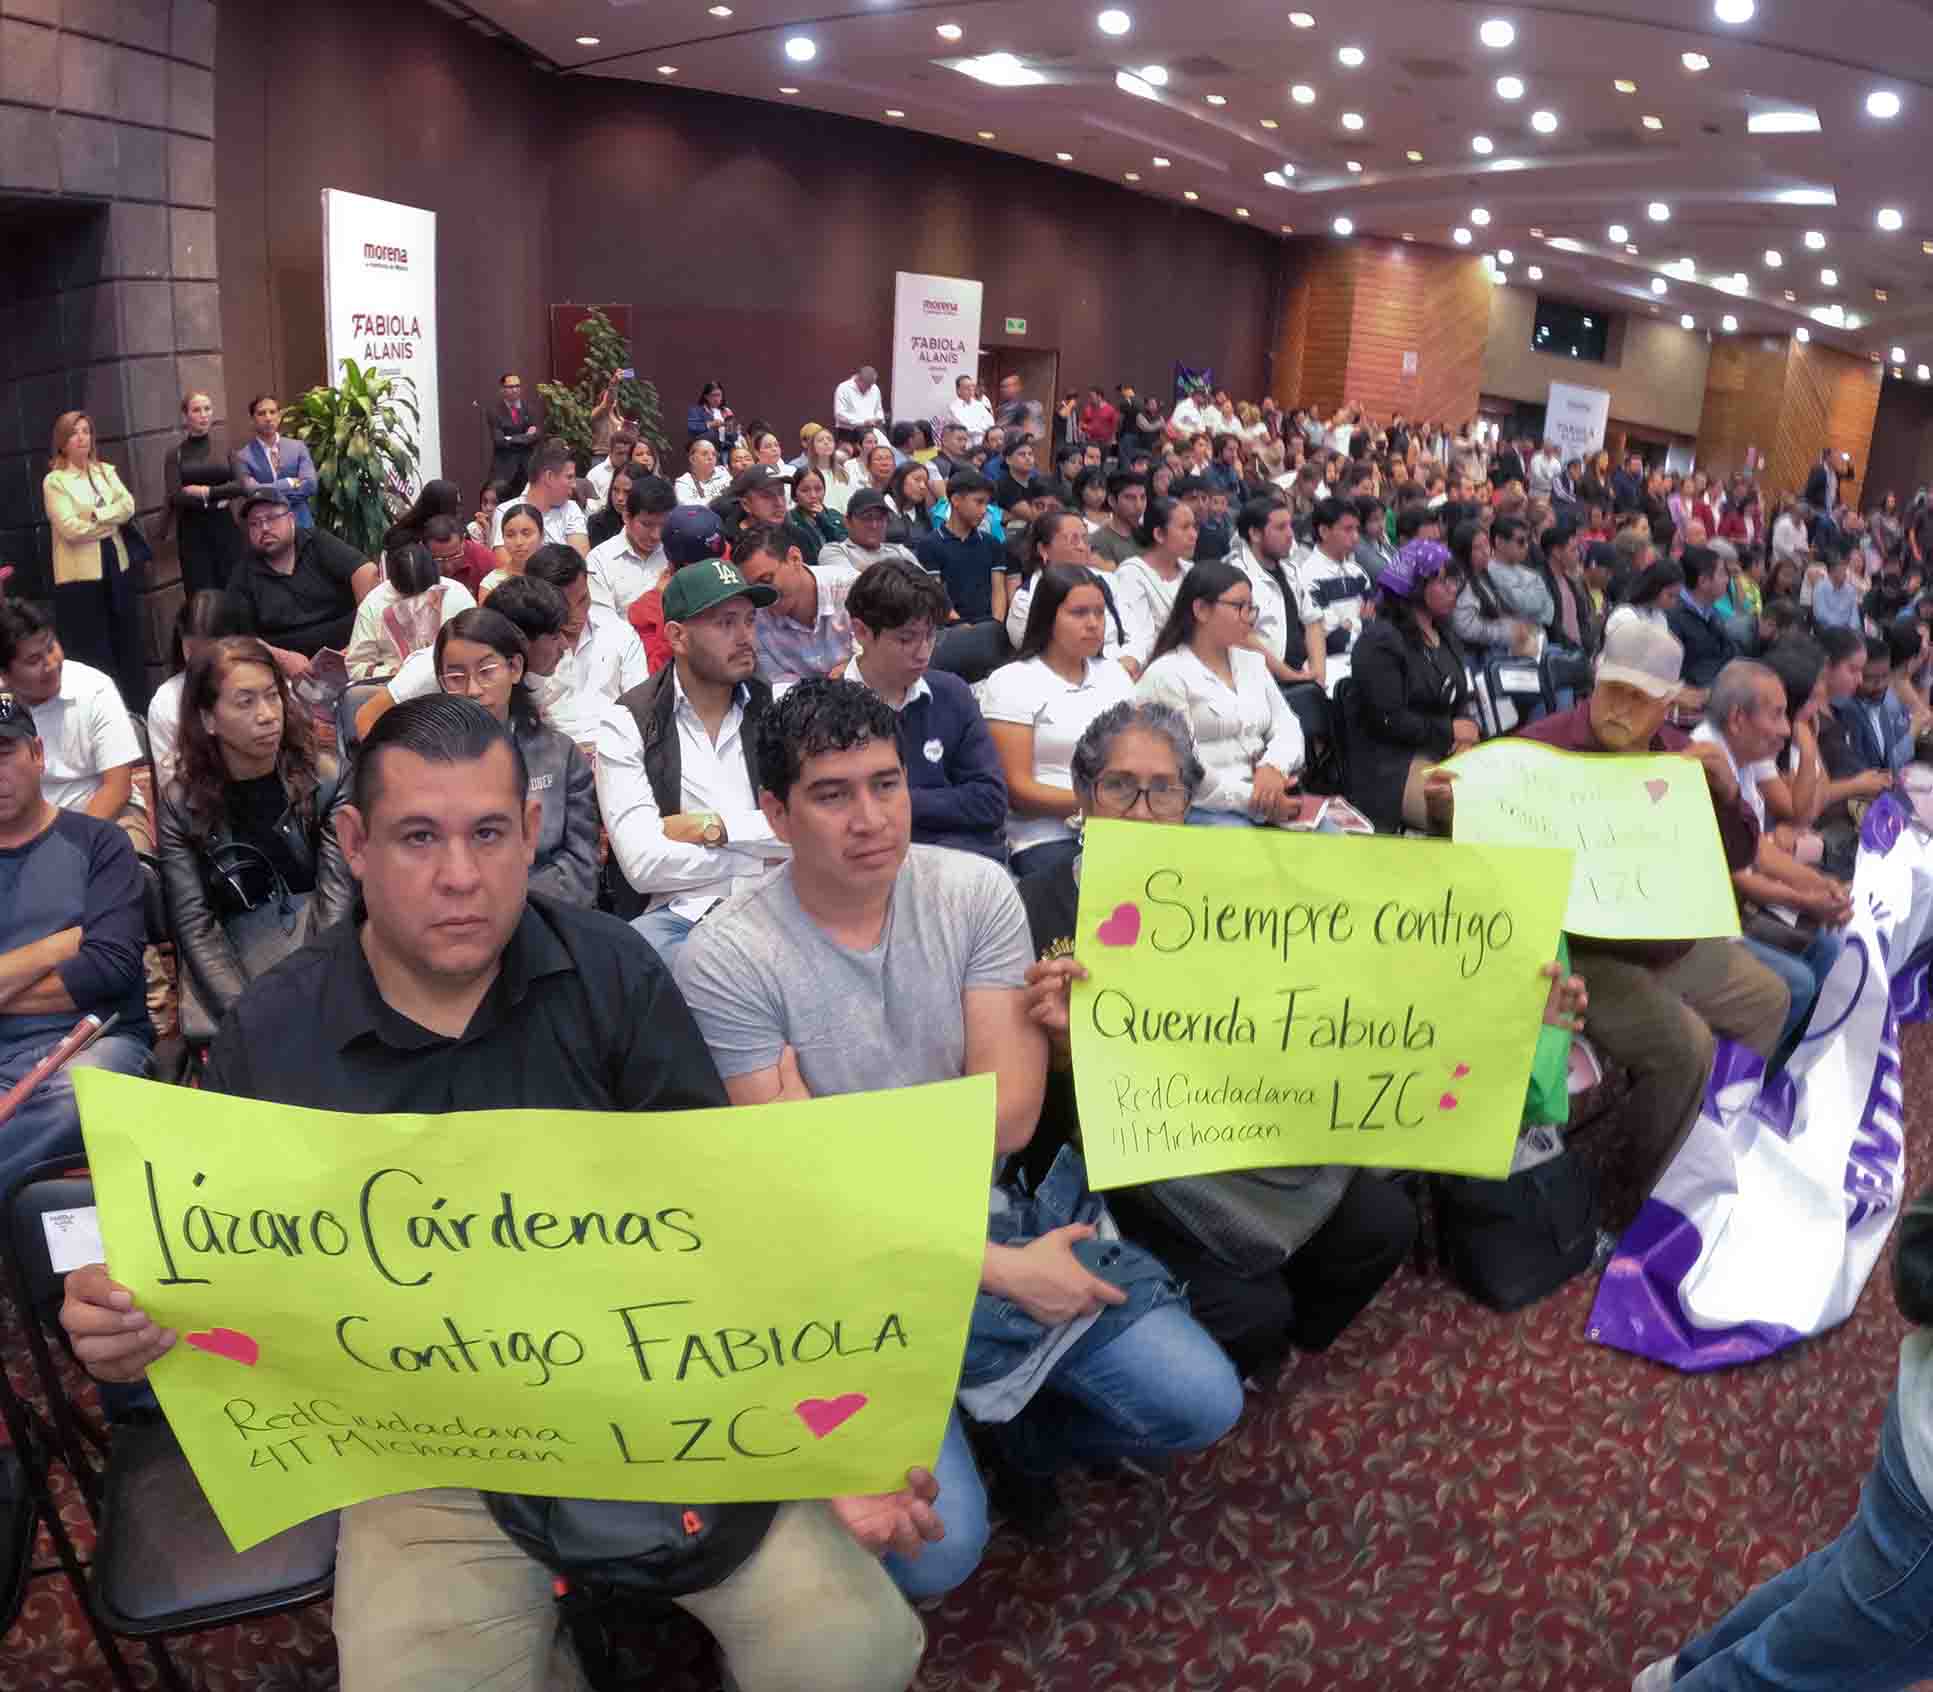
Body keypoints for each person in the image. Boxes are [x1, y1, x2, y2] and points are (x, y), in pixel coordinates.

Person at [61, 694, 932, 1692]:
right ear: (355, 844)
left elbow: (723, 1224)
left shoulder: (613, 972)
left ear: (531, 831)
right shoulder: (275, 1030)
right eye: (417, 837)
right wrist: (137, 1319)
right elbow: (227, 1284)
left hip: (658, 1397)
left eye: (486, 833)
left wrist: (824, 1439)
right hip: (428, 1443)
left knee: (855, 1652)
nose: (459, 876)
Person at [673, 679, 1241, 1598]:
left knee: (1203, 1402)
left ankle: (1024, 1435)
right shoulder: (726, 959)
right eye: (831, 794)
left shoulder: (974, 891)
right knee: (939, 1552)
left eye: (886, 784)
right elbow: (801, 1198)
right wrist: (999, 1269)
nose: (871, 819)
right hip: (842, 1269)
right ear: (775, 813)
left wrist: (828, 1133)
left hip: (982, 1206)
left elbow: (1009, 1117)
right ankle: (987, 1410)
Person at [1014, 698, 1420, 1381]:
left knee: (1382, 1225)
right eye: (1119, 786)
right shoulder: (1032, 910)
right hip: (1125, 1161)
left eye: (1163, 790)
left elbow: (1313, 1007)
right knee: (1250, 1313)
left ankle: (1291, 1334)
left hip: (1234, 1125)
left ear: (1187, 802)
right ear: (1084, 794)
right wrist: (1056, 1054)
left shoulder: (1235, 896)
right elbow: (1025, 1123)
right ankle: (1252, 1352)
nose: (1142, 810)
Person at [1493, 621, 1789, 1218]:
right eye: (1613, 690)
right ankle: (1637, 1198)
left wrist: (1728, 797)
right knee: (1685, 1047)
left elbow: (1738, 854)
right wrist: (1451, 809)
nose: (1621, 709)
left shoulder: (1683, 758)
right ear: (1595, 678)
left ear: (1668, 703)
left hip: (1668, 939)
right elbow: (1488, 854)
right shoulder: (1537, 750)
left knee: (1770, 999)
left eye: (1640, 697)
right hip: (1588, 951)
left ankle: (1704, 1139)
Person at [1638, 1183, 1933, 1692]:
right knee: (1802, 1669)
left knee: (1832, 1593)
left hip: (1919, 1422)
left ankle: (1680, 1676)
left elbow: (1919, 1258)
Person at [157, 635, 353, 1037]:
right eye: (245, 702)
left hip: (325, 963)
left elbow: (337, 902)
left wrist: (312, 996)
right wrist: (249, 1017)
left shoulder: (327, 779)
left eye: (272, 696)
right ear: (208, 720)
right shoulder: (181, 804)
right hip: (236, 970)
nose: (267, 715)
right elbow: (195, 925)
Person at [0, 684, 152, 1197]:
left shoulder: (100, 844)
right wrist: (55, 947)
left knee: (84, 1095)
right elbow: (88, 961)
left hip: (94, 1045)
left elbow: (109, 969)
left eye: (4, 752)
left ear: (37, 754)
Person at [604, 557, 791, 968]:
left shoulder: (779, 707)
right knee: (647, 956)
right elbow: (644, 864)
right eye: (726, 623)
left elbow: (808, 827)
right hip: (679, 918)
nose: (745, 637)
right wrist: (759, 856)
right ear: (677, 636)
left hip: (779, 901)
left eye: (750, 621)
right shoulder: (629, 721)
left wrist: (714, 828)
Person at [1692, 659, 1850, 1067]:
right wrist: (1808, 900)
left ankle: (1780, 1068)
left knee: (1827, 946)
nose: (1786, 728)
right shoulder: (1708, 763)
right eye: (1778, 715)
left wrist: (1820, 887)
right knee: (1797, 984)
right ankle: (1743, 1084)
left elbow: (1759, 848)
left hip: (1735, 906)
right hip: (1708, 920)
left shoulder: (1745, 748)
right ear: (1738, 719)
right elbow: (1739, 875)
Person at [433, 608, 598, 906]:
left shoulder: (560, 754)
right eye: (456, 677)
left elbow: (582, 865)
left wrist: (508, 905)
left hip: (549, 910)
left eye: (486, 672)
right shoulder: (425, 764)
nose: (473, 690)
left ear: (515, 668)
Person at [982, 565, 1137, 878]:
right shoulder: (1012, 682)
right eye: (1079, 613)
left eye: (1099, 612)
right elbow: (1017, 790)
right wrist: (1100, 803)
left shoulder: (1115, 676)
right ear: (1048, 618)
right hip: (1047, 836)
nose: (1093, 623)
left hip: (1120, 824)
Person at [849, 558, 1008, 862]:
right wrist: (945, 802)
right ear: (862, 632)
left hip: (965, 858)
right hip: (874, 864)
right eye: (906, 638)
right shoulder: (828, 710)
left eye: (931, 635)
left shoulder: (952, 693)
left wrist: (893, 798)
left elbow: (991, 801)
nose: (923, 652)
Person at [1134, 558, 1310, 827]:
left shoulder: (1251, 662)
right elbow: (1186, 769)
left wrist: (1273, 767)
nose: (1249, 618)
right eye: (1239, 607)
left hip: (1268, 794)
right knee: (1256, 850)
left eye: (1251, 608)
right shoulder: (1166, 675)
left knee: (1333, 839)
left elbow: (1287, 726)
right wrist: (1257, 799)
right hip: (1204, 806)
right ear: (1201, 610)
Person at [1346, 539, 1479, 832]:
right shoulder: (1380, 642)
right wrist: (1449, 731)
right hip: (1391, 762)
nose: (1453, 589)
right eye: (1443, 581)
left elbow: (1460, 700)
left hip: (1439, 748)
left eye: (1454, 580)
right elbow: (1389, 720)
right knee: (1464, 809)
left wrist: (1465, 739)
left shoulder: (1446, 634)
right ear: (1415, 586)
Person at [0, 598, 148, 853]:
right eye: (34, 660)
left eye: (51, 647)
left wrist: (65, 847)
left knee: (128, 853)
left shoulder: (94, 688)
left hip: (107, 814)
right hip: (24, 822)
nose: (51, 663)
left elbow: (117, 787)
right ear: (6, 674)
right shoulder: (4, 705)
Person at [42, 410, 144, 709]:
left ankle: (136, 710)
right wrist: (109, 522)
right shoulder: (55, 481)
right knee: (94, 649)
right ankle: (104, 711)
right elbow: (70, 529)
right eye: (74, 432)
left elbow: (128, 506)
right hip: (80, 578)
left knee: (126, 641)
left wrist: (97, 516)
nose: (82, 437)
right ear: (62, 441)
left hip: (116, 564)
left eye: (86, 431)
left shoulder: (105, 471)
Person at [231, 489, 376, 661]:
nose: (264, 528)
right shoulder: (244, 573)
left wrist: (363, 635)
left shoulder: (316, 542)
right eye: (254, 523)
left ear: (291, 519)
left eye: (271, 518)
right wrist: (282, 658)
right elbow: (242, 638)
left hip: (348, 649)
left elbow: (366, 572)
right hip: (285, 663)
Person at [523, 543, 648, 712]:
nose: (577, 615)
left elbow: (641, 705)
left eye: (583, 599)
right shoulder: (525, 645)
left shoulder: (619, 634)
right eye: (564, 608)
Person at [148, 590, 252, 791]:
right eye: (193, 650)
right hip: (203, 800)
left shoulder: (262, 682)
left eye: (213, 650)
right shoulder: (167, 701)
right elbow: (170, 785)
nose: (202, 660)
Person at [735, 520, 859, 687]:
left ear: (795, 558)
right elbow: (779, 685)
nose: (763, 595)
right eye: (753, 589)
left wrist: (854, 670)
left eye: (766, 580)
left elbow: (877, 655)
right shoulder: (755, 620)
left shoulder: (853, 588)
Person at [345, 541, 475, 679]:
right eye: (408, 596)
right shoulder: (374, 603)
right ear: (392, 582)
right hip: (395, 683)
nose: (417, 603)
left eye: (424, 593)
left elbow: (477, 646)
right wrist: (393, 673)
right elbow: (356, 667)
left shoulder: (457, 593)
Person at [163, 389, 246, 599]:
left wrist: (206, 492)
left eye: (207, 409)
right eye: (196, 410)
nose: (203, 415)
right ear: (185, 415)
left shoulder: (225, 447)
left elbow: (241, 486)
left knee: (233, 590)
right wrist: (218, 498)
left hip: (225, 528)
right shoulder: (175, 454)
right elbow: (176, 496)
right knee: (201, 597)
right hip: (193, 533)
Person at [1298, 497, 1375, 690]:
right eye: (1348, 529)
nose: (1356, 536)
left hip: (1365, 660)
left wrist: (1350, 625)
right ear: (1324, 531)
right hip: (1330, 670)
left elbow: (1375, 626)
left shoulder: (1358, 573)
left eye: (1357, 529)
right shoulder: (1308, 576)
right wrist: (1362, 623)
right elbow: (1331, 641)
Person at [1113, 496, 1198, 665]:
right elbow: (1139, 638)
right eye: (1185, 528)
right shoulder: (1132, 575)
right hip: (1159, 665)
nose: (1194, 535)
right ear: (1159, 534)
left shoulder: (1190, 571)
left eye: (1194, 527)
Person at [587, 474, 675, 618]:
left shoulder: (675, 553)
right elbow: (601, 621)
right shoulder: (600, 560)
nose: (656, 535)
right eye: (647, 524)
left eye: (663, 525)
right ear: (627, 517)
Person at [489, 442, 589, 563]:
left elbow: (580, 563)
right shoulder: (505, 511)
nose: (574, 485)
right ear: (549, 477)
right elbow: (506, 566)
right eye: (569, 477)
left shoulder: (571, 509)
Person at [233, 393, 319, 531]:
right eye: (262, 413)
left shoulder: (298, 447)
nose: (268, 418)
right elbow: (251, 491)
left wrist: (265, 490)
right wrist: (290, 482)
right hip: (266, 528)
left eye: (272, 412)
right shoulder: (243, 456)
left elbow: (310, 484)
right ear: (252, 419)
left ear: (279, 417)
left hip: (301, 524)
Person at [1666, 544, 1738, 698]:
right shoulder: (1673, 618)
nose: (1727, 580)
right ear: (1704, 581)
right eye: (1722, 574)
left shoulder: (1711, 612)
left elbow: (1729, 653)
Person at [819, 489, 920, 577]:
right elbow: (852, 585)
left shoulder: (900, 551)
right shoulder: (834, 551)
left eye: (880, 518)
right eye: (867, 517)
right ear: (847, 522)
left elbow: (924, 584)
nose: (874, 525)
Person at [485, 372, 544, 489]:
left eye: (517, 386)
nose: (515, 390)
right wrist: (526, 437)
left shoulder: (529, 409)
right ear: (502, 389)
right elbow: (499, 441)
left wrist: (510, 438)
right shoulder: (494, 411)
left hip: (527, 468)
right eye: (511, 387)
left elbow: (537, 435)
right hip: (505, 469)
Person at [477, 502, 544, 599]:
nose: (519, 542)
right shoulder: (492, 583)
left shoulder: (555, 575)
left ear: (541, 536)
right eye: (510, 535)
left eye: (526, 534)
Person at [1089, 471, 1150, 570]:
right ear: (1112, 501)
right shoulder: (1099, 541)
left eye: (1143, 497)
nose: (1139, 506)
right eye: (1130, 498)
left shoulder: (1149, 533)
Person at [585, 426, 639, 516]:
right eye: (620, 453)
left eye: (628, 454)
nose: (624, 458)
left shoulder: (637, 473)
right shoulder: (595, 474)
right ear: (610, 451)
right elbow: (590, 509)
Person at [1810, 550, 1863, 633]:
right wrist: (1841, 627)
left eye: (1845, 568)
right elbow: (1821, 616)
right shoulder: (1820, 588)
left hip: (1848, 632)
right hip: (1828, 631)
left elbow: (1854, 617)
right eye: (1842, 569)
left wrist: (1852, 630)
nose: (1846, 573)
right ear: (1832, 571)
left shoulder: (1850, 590)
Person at [833, 365, 886, 441]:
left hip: (872, 428)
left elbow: (879, 409)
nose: (869, 388)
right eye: (867, 385)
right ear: (858, 379)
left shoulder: (874, 388)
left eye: (871, 385)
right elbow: (839, 414)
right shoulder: (843, 388)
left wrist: (878, 418)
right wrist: (862, 422)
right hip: (850, 431)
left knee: (883, 439)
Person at [675, 437, 731, 506]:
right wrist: (718, 500)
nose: (710, 457)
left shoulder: (722, 471)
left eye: (714, 454)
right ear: (692, 459)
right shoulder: (684, 483)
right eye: (705, 454)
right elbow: (687, 506)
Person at [948, 374, 995, 446]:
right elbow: (966, 429)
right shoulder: (953, 407)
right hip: (964, 447)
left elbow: (991, 424)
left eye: (972, 386)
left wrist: (977, 427)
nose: (971, 389)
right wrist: (982, 428)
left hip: (982, 445)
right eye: (967, 387)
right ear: (958, 391)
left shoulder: (979, 405)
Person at [686, 380, 735, 450]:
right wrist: (710, 424)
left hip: (725, 449)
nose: (716, 399)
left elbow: (734, 436)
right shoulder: (697, 410)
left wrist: (730, 428)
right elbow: (692, 427)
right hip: (705, 448)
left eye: (719, 395)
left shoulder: (726, 411)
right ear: (706, 396)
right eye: (713, 395)